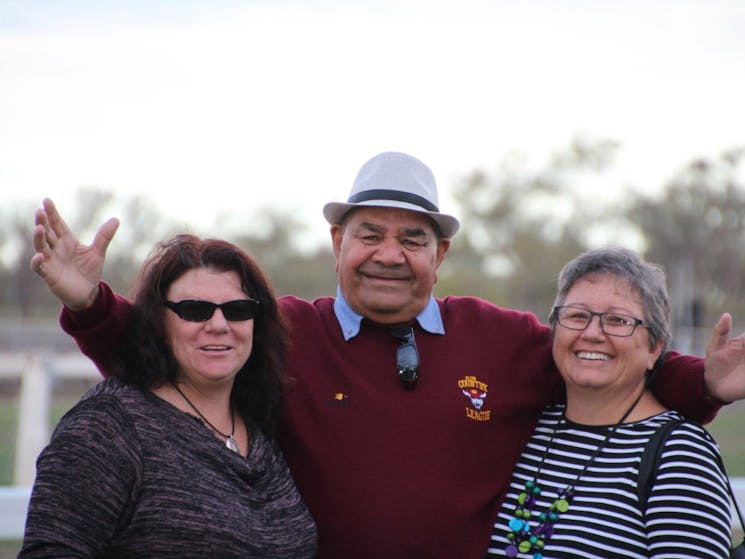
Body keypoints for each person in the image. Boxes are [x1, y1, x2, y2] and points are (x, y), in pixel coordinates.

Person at [30, 152, 745, 559]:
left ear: (440, 253)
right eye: (369, 233)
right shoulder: (277, 332)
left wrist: (702, 380)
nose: (388, 255)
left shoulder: (502, 336)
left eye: (412, 239)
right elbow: (177, 347)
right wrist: (92, 304)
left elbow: (599, 358)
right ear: (338, 245)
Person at [20, 234, 318, 558]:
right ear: (158, 321)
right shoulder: (109, 426)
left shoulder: (261, 426)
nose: (219, 325)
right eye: (194, 310)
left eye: (237, 309)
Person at [486, 247, 732, 558]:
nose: (592, 333)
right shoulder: (525, 428)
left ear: (655, 348)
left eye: (617, 321)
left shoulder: (679, 454)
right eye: (577, 316)